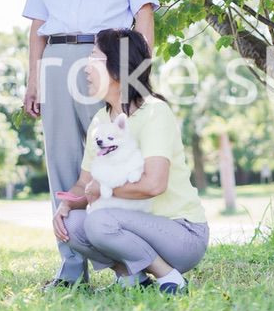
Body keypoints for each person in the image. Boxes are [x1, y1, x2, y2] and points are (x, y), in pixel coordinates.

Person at [21, 0, 159, 289]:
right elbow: (38, 28)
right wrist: (33, 80)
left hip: (108, 59)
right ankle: (70, 269)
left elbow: (144, 16)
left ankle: (130, 267)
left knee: (116, 161)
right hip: (56, 59)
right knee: (63, 167)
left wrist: (136, 75)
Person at [52, 29, 209, 294]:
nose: (86, 68)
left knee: (98, 222)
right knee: (73, 225)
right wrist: (68, 203)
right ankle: (132, 280)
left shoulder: (154, 112)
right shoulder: (100, 122)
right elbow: (84, 183)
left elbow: (154, 185)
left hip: (181, 233)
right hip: (133, 226)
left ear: (116, 67)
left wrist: (104, 191)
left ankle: (170, 277)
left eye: (94, 58)